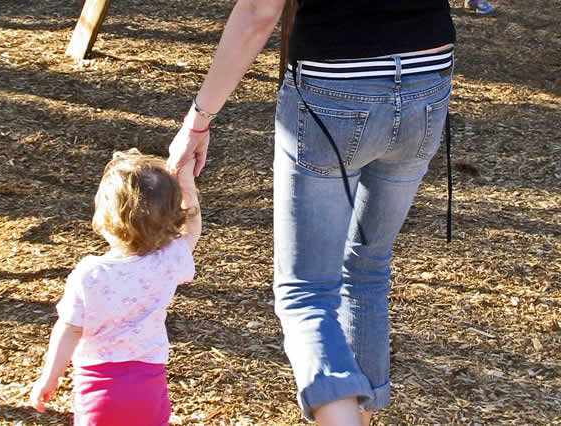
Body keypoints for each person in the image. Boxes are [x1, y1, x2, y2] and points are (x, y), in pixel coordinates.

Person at [167, 1, 456, 425]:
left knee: (307, 293)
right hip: (428, 81)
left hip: (335, 89)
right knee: (368, 269)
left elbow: (257, 13)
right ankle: (357, 415)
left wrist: (198, 121)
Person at [30, 148, 201, 425]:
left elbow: (70, 328)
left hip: (98, 390)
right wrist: (187, 185)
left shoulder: (89, 273)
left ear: (105, 218)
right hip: (148, 389)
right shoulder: (168, 262)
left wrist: (49, 378)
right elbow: (192, 229)